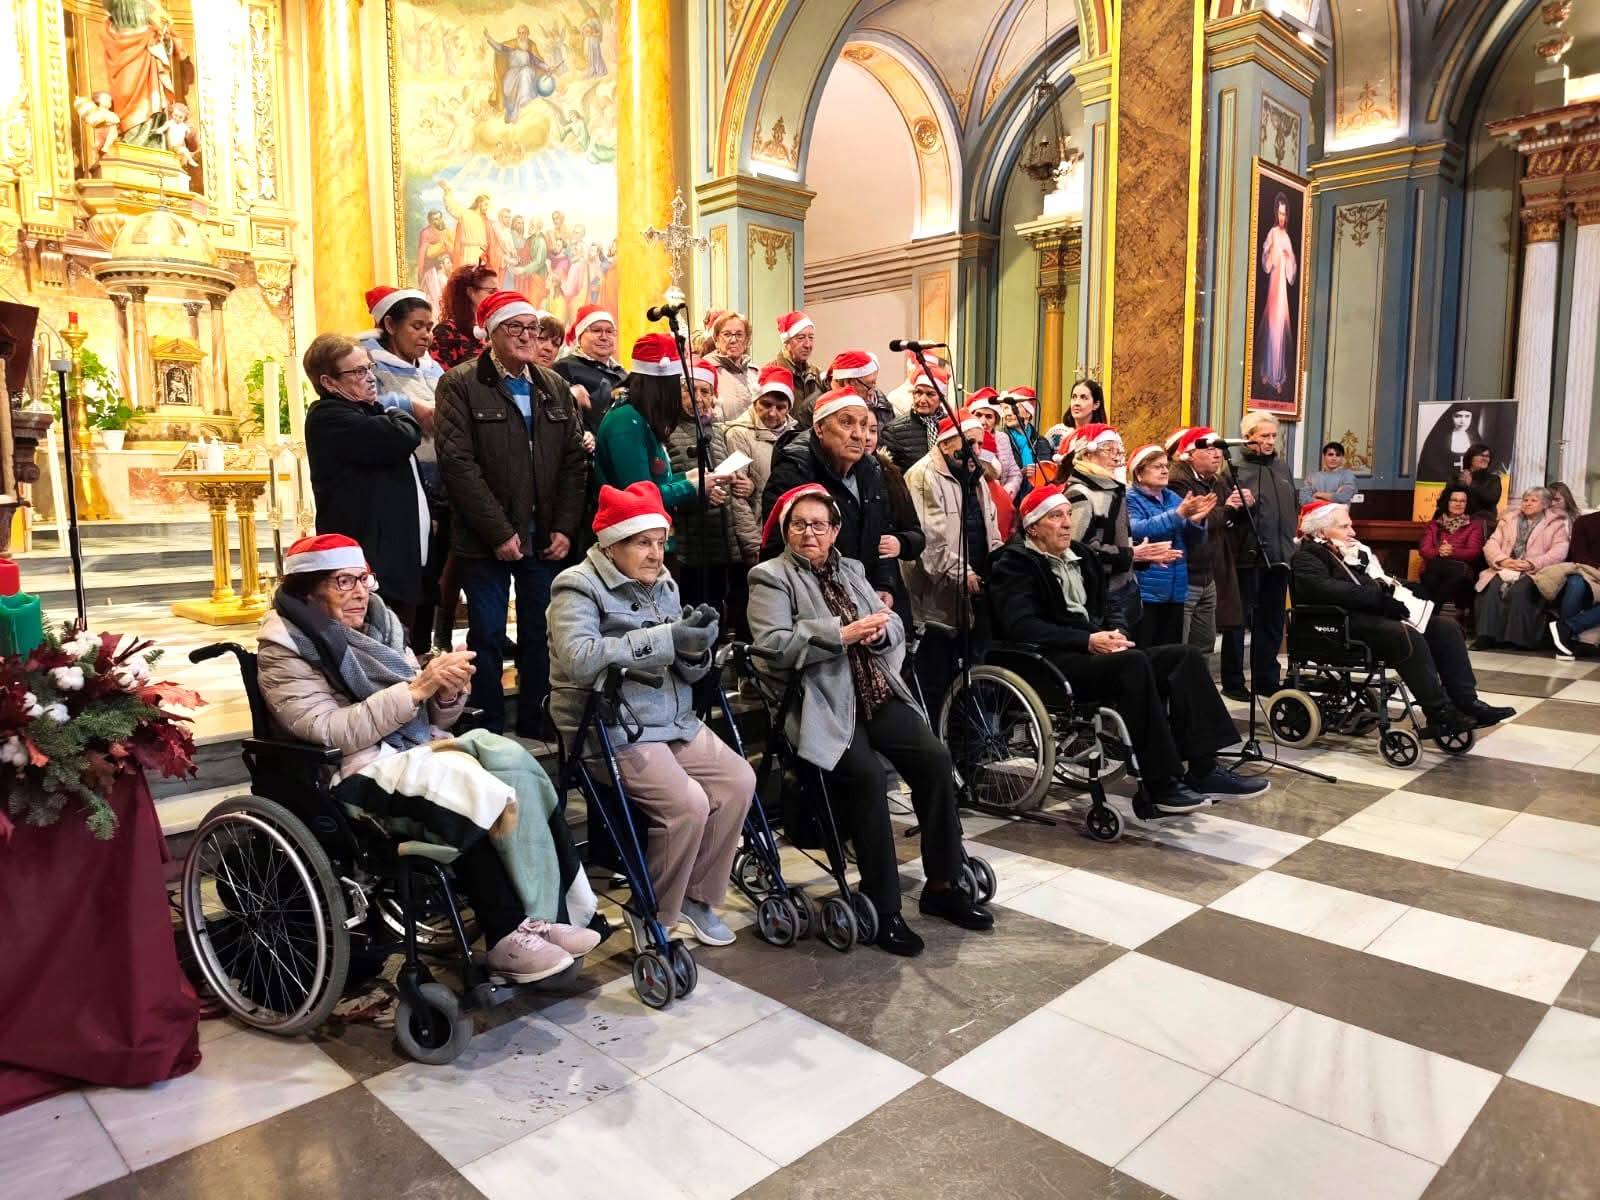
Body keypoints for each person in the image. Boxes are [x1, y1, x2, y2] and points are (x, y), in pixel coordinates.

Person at [258, 534, 600, 983]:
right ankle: (505, 935)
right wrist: (417, 688)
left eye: (364, 578)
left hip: (414, 750)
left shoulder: (382, 627)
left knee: (514, 764)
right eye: (344, 581)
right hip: (352, 770)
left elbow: (429, 716)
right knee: (466, 785)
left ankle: (548, 915)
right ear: (307, 590)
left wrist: (447, 692)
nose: (361, 592)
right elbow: (327, 730)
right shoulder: (285, 647)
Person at [747, 485, 993, 957]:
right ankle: (884, 906)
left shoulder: (853, 569)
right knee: (866, 777)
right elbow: (771, 646)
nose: (809, 534)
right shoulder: (770, 577)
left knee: (934, 760)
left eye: (819, 525)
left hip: (874, 693)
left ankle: (942, 885)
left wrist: (880, 634)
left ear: (835, 530)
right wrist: (840, 634)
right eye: (799, 525)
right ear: (785, 530)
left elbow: (892, 621)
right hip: (821, 702)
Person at [546, 483, 755, 947]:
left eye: (661, 542)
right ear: (611, 544)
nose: (656, 554)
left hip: (670, 718)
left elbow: (686, 666)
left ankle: (697, 897)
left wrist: (696, 650)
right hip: (611, 724)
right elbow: (579, 658)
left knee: (739, 780)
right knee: (689, 803)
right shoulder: (576, 585)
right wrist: (668, 640)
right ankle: (653, 910)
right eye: (643, 542)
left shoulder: (664, 583)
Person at [988, 486, 1269, 814]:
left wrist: (1117, 632)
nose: (1066, 523)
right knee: (1133, 664)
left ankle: (1204, 769)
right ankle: (1159, 784)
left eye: (1068, 515)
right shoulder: (1014, 563)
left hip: (1095, 650)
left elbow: (1110, 605)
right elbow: (1021, 626)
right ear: (1033, 527)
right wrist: (1088, 641)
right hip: (1051, 660)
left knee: (1184, 656)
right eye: (1055, 517)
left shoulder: (1081, 555)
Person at [435, 290, 586, 737]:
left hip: (544, 535)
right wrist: (499, 532)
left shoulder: (552, 385)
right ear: (490, 334)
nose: (526, 336)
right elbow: (458, 465)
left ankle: (538, 718)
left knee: (542, 631)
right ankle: (487, 724)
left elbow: (574, 461)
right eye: (513, 327)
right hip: (485, 538)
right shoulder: (461, 383)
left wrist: (564, 527)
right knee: (486, 633)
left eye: (532, 328)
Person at [1293, 503, 1513, 733]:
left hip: (1369, 617)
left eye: (1351, 525)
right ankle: (1438, 712)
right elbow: (1324, 589)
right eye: (1344, 526)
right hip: (1339, 625)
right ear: (1321, 531)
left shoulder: (1352, 552)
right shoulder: (1307, 555)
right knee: (1404, 634)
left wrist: (1408, 589)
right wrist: (1378, 599)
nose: (1353, 532)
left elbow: (1378, 580)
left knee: (1445, 627)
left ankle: (1466, 701)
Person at [762, 388, 924, 622]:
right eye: (846, 423)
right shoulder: (793, 473)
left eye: (864, 425)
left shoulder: (872, 470)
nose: (859, 435)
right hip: (816, 605)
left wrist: (885, 584)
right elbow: (778, 550)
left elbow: (883, 534)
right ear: (819, 428)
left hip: (870, 595)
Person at [302, 333, 429, 628]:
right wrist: (399, 410)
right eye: (359, 371)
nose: (371, 378)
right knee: (379, 636)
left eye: (370, 367)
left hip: (399, 551)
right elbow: (402, 436)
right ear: (329, 382)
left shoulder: (366, 411)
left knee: (406, 636)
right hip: (371, 557)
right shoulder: (328, 417)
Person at [359, 287, 449, 652]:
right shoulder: (368, 363)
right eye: (417, 326)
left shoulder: (433, 368)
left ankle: (424, 649)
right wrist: (407, 405)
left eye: (430, 327)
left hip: (442, 482)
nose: (426, 335)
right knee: (402, 577)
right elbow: (361, 403)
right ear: (390, 324)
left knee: (433, 576)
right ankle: (393, 653)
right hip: (400, 485)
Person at [594, 334, 731, 520]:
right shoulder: (626, 422)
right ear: (661, 385)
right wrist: (692, 487)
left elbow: (655, 481)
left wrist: (687, 477)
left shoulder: (639, 417)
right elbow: (640, 496)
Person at [1066, 422, 1179, 637]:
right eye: (1109, 450)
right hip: (1100, 597)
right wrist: (1131, 554)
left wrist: (1142, 556)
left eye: (1118, 450)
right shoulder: (1081, 494)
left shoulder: (1111, 489)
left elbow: (1116, 541)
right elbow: (1079, 551)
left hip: (1120, 592)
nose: (1116, 457)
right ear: (1087, 454)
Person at [666, 357, 755, 613]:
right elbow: (666, 485)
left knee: (720, 607)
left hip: (723, 543)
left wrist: (745, 485)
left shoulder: (718, 433)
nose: (698, 398)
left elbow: (732, 475)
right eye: (690, 390)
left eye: (705, 391)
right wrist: (697, 494)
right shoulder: (668, 433)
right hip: (690, 546)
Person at [902, 409, 1003, 628]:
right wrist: (964, 573)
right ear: (945, 445)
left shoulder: (977, 476)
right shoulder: (923, 475)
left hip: (974, 584)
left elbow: (992, 529)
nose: (976, 451)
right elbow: (930, 544)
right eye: (969, 443)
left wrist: (998, 565)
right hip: (938, 594)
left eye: (980, 444)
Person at [1222, 410, 1296, 701]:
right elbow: (1226, 512)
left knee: (1272, 621)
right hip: (1246, 556)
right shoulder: (1234, 469)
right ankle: (1233, 681)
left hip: (1279, 556)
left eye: (1273, 435)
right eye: (1264, 435)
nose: (1270, 441)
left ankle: (1266, 678)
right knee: (1237, 623)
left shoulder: (1282, 467)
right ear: (1248, 437)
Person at [1167, 427, 1244, 657]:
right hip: (1186, 573)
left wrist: (1241, 504)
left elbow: (1222, 515)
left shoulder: (1216, 481)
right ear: (1190, 454)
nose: (1217, 454)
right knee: (1180, 647)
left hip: (1209, 574)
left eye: (1219, 449)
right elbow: (1201, 519)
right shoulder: (1178, 482)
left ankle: (1200, 681)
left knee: (1204, 645)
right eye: (1210, 449)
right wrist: (1228, 509)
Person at [1126, 445, 1213, 647]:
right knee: (1147, 650)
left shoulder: (1172, 497)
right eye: (1158, 467)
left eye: (1166, 466)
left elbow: (1191, 541)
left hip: (1177, 589)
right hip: (1147, 591)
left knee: (1171, 651)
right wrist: (1178, 515)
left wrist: (1196, 522)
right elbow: (1137, 529)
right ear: (1139, 473)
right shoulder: (1130, 498)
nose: (1165, 471)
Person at [1474, 487, 1571, 650]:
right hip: (1506, 566)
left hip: (1536, 571)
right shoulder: (1508, 520)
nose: (1528, 503)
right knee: (1491, 587)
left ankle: (1517, 639)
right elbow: (1491, 544)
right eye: (1525, 500)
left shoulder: (1556, 524)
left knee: (1521, 590)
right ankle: (1486, 636)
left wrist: (1531, 564)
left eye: (1533, 500)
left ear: (1545, 504)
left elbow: (1559, 552)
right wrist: (1503, 560)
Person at [723, 365, 796, 563]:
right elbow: (737, 498)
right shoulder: (739, 434)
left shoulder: (796, 436)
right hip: (759, 536)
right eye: (766, 404)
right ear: (755, 401)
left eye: (780, 407)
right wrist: (754, 545)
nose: (772, 413)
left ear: (789, 409)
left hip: (789, 537)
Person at [553, 304, 625, 434]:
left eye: (610, 332)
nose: (604, 337)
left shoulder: (621, 371)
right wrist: (609, 395)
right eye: (596, 331)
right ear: (580, 336)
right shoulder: (564, 367)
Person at [1417, 484, 1486, 612]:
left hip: (1459, 571)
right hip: (1435, 568)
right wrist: (1439, 551)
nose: (1458, 504)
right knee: (1430, 578)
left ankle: (1430, 613)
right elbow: (1424, 550)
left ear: (1467, 504)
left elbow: (1474, 552)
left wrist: (1451, 551)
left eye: (1462, 501)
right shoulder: (1434, 525)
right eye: (1454, 500)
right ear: (1447, 502)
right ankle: (1431, 613)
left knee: (1452, 580)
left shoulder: (1475, 525)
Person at [1257, 192, 1297, 396]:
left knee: (1280, 330)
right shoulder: (1273, 233)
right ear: (1276, 213)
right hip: (1273, 287)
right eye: (1280, 213)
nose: (1282, 217)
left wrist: (1289, 257)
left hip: (1282, 291)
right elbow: (1266, 261)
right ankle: (1267, 371)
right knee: (1272, 329)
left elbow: (1292, 271)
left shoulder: (1287, 237)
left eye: (1284, 214)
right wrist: (1271, 252)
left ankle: (1278, 376)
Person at [1546, 508, 1600, 659]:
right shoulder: (1584, 522)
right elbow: (1579, 555)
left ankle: (1566, 628)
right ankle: (1567, 640)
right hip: (1588, 571)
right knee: (1575, 584)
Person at [431, 261, 499, 369]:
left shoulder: (493, 328)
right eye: (491, 292)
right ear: (470, 292)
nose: (498, 296)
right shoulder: (446, 331)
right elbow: (441, 375)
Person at [882, 363, 946, 474]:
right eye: (918, 392)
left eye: (930, 394)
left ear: (941, 398)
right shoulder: (893, 431)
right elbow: (889, 475)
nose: (922, 400)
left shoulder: (952, 427)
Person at [702, 310, 760, 421]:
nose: (733, 340)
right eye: (727, 334)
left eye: (739, 334)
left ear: (747, 340)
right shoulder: (706, 372)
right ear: (716, 339)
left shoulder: (755, 373)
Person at [769, 310, 825, 424]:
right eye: (800, 338)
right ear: (786, 342)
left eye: (811, 337)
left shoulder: (817, 374)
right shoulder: (771, 373)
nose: (808, 344)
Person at [967, 390, 1023, 499]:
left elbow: (1015, 473)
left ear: (996, 420)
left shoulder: (1002, 438)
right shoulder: (965, 439)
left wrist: (1008, 490)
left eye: (989, 416)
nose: (983, 421)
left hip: (1001, 499)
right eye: (978, 415)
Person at [824, 349, 895, 430]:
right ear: (848, 382)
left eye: (874, 384)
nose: (872, 392)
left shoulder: (881, 403)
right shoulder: (820, 407)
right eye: (869, 385)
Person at [1419, 406, 1482, 483]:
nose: (1463, 421)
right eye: (1458, 416)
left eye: (1467, 416)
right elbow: (1434, 466)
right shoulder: (1440, 439)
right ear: (1451, 417)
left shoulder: (1476, 439)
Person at [1458, 444, 1502, 524]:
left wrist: (1471, 484)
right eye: (1481, 455)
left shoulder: (1493, 479)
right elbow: (1446, 501)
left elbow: (1491, 499)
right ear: (1470, 458)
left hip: (1482, 523)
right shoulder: (1458, 478)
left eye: (1487, 456)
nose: (1485, 459)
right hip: (1458, 521)